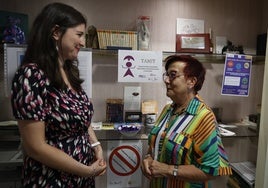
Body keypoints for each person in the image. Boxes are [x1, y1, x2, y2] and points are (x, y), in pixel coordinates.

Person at [10, 2, 106, 187]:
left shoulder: (70, 71)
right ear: (56, 32)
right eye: (78, 35)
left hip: (82, 176)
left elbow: (81, 119)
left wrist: (96, 146)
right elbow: (35, 147)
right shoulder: (31, 76)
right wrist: (86, 170)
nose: (83, 42)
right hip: (52, 179)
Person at [141, 55, 232, 188]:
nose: (166, 80)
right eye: (166, 75)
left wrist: (167, 170)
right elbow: (156, 146)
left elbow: (212, 171)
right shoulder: (167, 110)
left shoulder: (203, 116)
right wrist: (148, 158)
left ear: (191, 81)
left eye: (173, 75)